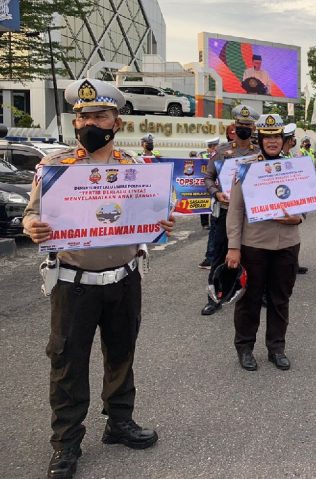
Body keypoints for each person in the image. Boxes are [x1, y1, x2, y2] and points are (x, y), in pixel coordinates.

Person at [22, 78, 175, 479]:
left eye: (99, 115)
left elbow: (155, 215)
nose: (90, 122)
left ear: (117, 122)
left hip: (124, 279)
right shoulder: (56, 169)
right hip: (74, 282)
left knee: (121, 353)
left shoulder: (135, 169)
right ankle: (66, 443)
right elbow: (31, 215)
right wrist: (33, 226)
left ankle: (119, 422)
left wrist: (163, 222)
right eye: (83, 116)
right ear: (75, 123)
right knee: (68, 363)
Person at [226, 114, 303, 371]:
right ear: (260, 139)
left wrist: (296, 218)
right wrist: (233, 247)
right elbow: (235, 210)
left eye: (276, 136)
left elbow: (304, 205)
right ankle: (245, 347)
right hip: (254, 244)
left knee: (280, 299)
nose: (272, 141)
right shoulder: (245, 167)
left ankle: (276, 348)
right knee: (249, 300)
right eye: (267, 137)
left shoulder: (295, 166)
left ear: (283, 139)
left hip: (287, 244)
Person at [201, 105, 259, 315]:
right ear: (234, 126)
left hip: (252, 213)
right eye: (241, 124)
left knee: (253, 255)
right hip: (225, 210)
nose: (244, 128)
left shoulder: (259, 153)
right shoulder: (222, 152)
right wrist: (216, 193)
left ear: (254, 127)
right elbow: (208, 177)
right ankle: (213, 297)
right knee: (219, 255)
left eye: (248, 125)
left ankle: (256, 295)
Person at [281, 122, 309, 275]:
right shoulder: (280, 156)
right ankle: (288, 264)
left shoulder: (290, 154)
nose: (294, 141)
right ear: (288, 140)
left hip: (292, 198)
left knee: (293, 233)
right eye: (292, 138)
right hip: (283, 199)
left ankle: (294, 264)